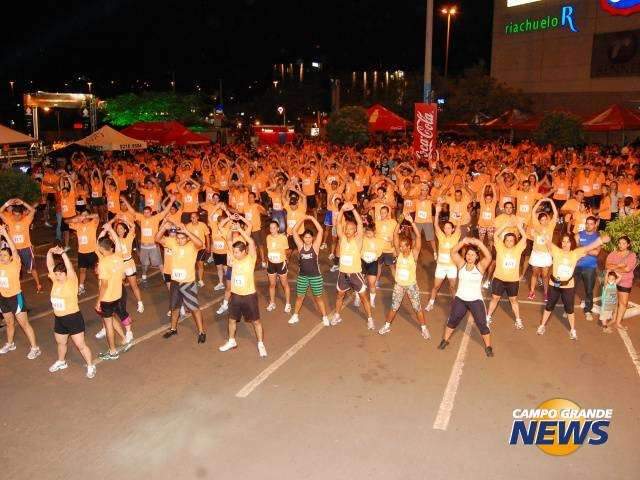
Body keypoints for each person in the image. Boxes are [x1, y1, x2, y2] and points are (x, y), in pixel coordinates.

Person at [537, 233, 610, 340]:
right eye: (563, 241)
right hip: (554, 284)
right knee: (549, 306)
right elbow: (547, 240)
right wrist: (540, 232)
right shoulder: (556, 251)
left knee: (570, 309)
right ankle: (542, 326)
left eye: (568, 241)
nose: (565, 244)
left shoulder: (576, 253)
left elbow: (590, 247)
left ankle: (572, 330)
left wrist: (601, 240)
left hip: (568, 285)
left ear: (572, 243)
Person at [218, 217, 267, 357]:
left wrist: (240, 229)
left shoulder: (251, 259)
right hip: (235, 295)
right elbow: (228, 240)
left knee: (256, 322)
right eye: (233, 252)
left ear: (244, 251)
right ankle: (231, 340)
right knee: (232, 319)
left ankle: (260, 344)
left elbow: (251, 241)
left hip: (249, 295)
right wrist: (231, 226)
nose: (234, 254)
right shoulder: (233, 258)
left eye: (237, 252)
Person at [438, 237, 494, 357]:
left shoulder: (480, 267)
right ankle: (445, 340)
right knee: (453, 320)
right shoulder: (461, 265)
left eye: (473, 255)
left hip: (475, 301)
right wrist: (463, 242)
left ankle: (488, 347)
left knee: (482, 324)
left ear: (477, 257)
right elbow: (452, 252)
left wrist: (479, 243)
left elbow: (489, 256)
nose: (470, 256)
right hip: (460, 300)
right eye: (468, 254)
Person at [46, 246, 96, 378]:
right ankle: (61, 361)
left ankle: (91, 365)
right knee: (61, 343)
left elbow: (70, 268)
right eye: (56, 274)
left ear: (66, 274)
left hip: (73, 318)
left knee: (80, 345)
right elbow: (50, 265)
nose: (57, 276)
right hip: (59, 319)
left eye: (60, 274)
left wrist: (62, 253)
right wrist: (49, 252)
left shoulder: (71, 281)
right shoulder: (55, 281)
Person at [378, 215, 430, 339]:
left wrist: (412, 223)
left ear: (409, 246)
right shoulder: (399, 253)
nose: (400, 247)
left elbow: (418, 237)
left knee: (417, 308)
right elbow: (395, 234)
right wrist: (400, 220)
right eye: (400, 246)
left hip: (411, 285)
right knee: (394, 307)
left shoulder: (414, 254)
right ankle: (386, 325)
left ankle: (424, 328)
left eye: (403, 246)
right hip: (399, 285)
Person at [156, 220, 207, 342]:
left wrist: (187, 231)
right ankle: (173, 329)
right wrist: (163, 227)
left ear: (187, 238)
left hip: (188, 283)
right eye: (178, 238)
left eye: (182, 238)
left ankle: (201, 332)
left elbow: (200, 243)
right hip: (175, 282)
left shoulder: (192, 246)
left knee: (194, 308)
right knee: (174, 307)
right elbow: (157, 238)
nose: (179, 240)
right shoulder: (173, 243)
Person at [332, 203, 375, 330]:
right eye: (346, 228)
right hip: (343, 274)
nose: (347, 230)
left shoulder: (358, 240)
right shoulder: (342, 239)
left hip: (355, 274)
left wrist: (353, 209)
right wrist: (341, 210)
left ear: (355, 231)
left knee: (363, 297)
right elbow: (338, 223)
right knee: (339, 295)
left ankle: (370, 319)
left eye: (350, 229)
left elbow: (360, 224)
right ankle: (337, 315)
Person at [0, 225, 40, 359]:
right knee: (9, 323)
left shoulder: (15, 263)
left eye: (5, 255)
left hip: (15, 298)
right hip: (3, 298)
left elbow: (14, 250)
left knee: (24, 324)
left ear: (11, 257)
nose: (2, 257)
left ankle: (35, 348)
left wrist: (5, 234)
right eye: (1, 255)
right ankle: (10, 343)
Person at [95, 223, 132, 360]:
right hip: (118, 295)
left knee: (108, 324)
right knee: (112, 317)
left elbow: (104, 285)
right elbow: (117, 241)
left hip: (108, 298)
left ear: (101, 248)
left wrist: (98, 300)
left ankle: (112, 351)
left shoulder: (104, 263)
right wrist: (110, 230)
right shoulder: (118, 256)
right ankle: (123, 338)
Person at [288, 215, 329, 326]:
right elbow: (294, 231)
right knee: (299, 297)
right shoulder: (300, 247)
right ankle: (295, 315)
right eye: (305, 237)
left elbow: (320, 230)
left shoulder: (315, 247)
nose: (307, 239)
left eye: (309, 237)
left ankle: (325, 316)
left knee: (318, 298)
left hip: (315, 276)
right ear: (303, 238)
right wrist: (302, 219)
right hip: (303, 276)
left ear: (312, 238)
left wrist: (311, 219)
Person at [486, 221, 527, 330]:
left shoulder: (518, 249)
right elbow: (495, 235)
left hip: (513, 281)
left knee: (513, 300)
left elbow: (524, 237)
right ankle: (488, 317)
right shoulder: (500, 247)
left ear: (514, 242)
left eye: (512, 240)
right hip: (499, 279)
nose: (509, 242)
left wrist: (518, 226)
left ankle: (518, 320)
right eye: (507, 240)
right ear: (504, 241)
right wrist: (505, 225)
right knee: (495, 298)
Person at [0, 198, 42, 292]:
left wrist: (23, 202)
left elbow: (33, 210)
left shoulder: (26, 220)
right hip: (13, 250)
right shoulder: (9, 220)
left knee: (32, 268)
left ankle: (38, 285)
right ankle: (13, 285)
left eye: (18, 215)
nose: (16, 217)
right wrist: (7, 204)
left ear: (22, 214)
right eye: (14, 215)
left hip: (26, 248)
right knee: (12, 267)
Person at [425, 202, 461, 311]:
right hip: (441, 266)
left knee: (452, 287)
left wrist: (459, 217)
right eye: (445, 228)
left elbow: (459, 226)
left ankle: (456, 304)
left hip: (451, 267)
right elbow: (435, 225)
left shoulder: (456, 237)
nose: (446, 229)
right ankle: (431, 303)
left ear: (452, 229)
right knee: (435, 287)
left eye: (449, 228)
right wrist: (437, 212)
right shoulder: (441, 236)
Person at [527, 198, 557, 301]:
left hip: (546, 254)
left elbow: (556, 213)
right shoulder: (536, 226)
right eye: (542, 219)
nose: (544, 221)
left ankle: (545, 293)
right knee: (535, 273)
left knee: (545, 275)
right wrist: (540, 201)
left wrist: (550, 201)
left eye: (546, 219)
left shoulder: (551, 226)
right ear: (539, 221)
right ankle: (531, 291)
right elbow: (533, 211)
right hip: (536, 253)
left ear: (548, 220)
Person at [605, 235, 637, 331]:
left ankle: (618, 322)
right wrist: (620, 265)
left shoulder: (632, 255)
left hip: (626, 281)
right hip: (613, 281)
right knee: (614, 301)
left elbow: (627, 269)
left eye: (624, 243)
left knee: (623, 302)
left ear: (628, 244)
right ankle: (613, 319)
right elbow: (607, 265)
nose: (621, 245)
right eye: (619, 243)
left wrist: (614, 267)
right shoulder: (613, 253)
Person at [574, 215, 601, 321]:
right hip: (577, 265)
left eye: (591, 224)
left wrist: (583, 248)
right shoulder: (579, 235)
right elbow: (576, 249)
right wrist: (588, 249)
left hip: (590, 267)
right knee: (571, 288)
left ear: (595, 225)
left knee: (589, 290)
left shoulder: (597, 238)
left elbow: (596, 253)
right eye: (587, 223)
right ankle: (568, 309)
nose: (588, 225)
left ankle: (588, 310)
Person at [67, 212, 100, 295]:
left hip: (92, 251)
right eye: (82, 215)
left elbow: (96, 215)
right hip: (81, 252)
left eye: (85, 215)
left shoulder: (93, 223)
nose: (84, 217)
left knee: (97, 271)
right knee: (82, 270)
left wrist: (86, 216)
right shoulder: (78, 224)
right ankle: (81, 287)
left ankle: (102, 285)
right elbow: (66, 221)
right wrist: (77, 217)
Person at [265, 220, 291, 313]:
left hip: (280, 264)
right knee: (272, 285)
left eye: (274, 228)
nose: (272, 230)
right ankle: (272, 303)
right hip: (271, 264)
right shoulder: (268, 237)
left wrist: (285, 259)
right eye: (270, 228)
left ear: (278, 228)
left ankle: (288, 303)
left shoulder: (283, 238)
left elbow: (287, 251)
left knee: (284, 284)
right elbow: (268, 250)